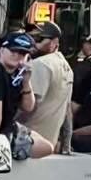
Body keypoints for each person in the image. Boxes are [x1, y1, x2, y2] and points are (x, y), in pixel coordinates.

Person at [0, 31, 53, 159]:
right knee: (44, 147)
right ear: (2, 50)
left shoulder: (17, 75)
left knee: (47, 146)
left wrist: (26, 82)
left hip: (7, 128)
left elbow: (28, 107)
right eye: (13, 51)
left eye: (22, 53)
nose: (17, 55)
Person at [22, 21, 74, 152]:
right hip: (48, 144)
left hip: (28, 141)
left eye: (38, 39)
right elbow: (67, 110)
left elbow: (28, 107)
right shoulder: (67, 67)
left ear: (54, 43)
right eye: (30, 37)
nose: (33, 43)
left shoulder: (40, 64)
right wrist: (66, 145)